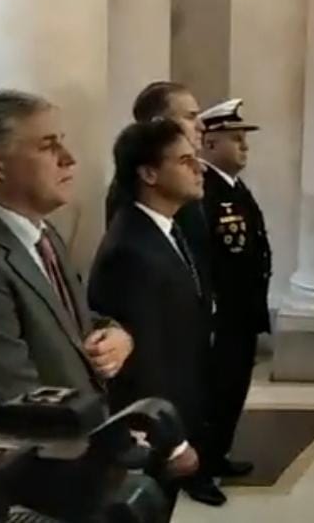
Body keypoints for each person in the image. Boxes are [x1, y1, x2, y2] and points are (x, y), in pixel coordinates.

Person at [0, 89, 137, 421]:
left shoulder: (40, 232)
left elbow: (55, 319)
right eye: (48, 145)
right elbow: (12, 410)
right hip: (39, 462)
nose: (69, 158)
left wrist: (115, 334)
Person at [88, 120, 223, 506]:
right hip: (153, 428)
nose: (199, 168)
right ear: (149, 173)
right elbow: (140, 362)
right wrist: (173, 441)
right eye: (184, 161)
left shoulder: (166, 228)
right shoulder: (130, 249)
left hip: (181, 404)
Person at [197, 98, 271, 478]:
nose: (245, 146)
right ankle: (201, 468)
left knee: (232, 392)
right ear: (209, 144)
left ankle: (218, 455)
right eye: (236, 139)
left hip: (242, 313)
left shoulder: (235, 188)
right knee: (214, 394)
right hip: (220, 316)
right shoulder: (202, 191)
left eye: (245, 139)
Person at [105, 82, 210, 263]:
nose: (201, 126)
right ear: (159, 122)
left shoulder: (185, 179)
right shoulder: (138, 189)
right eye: (190, 117)